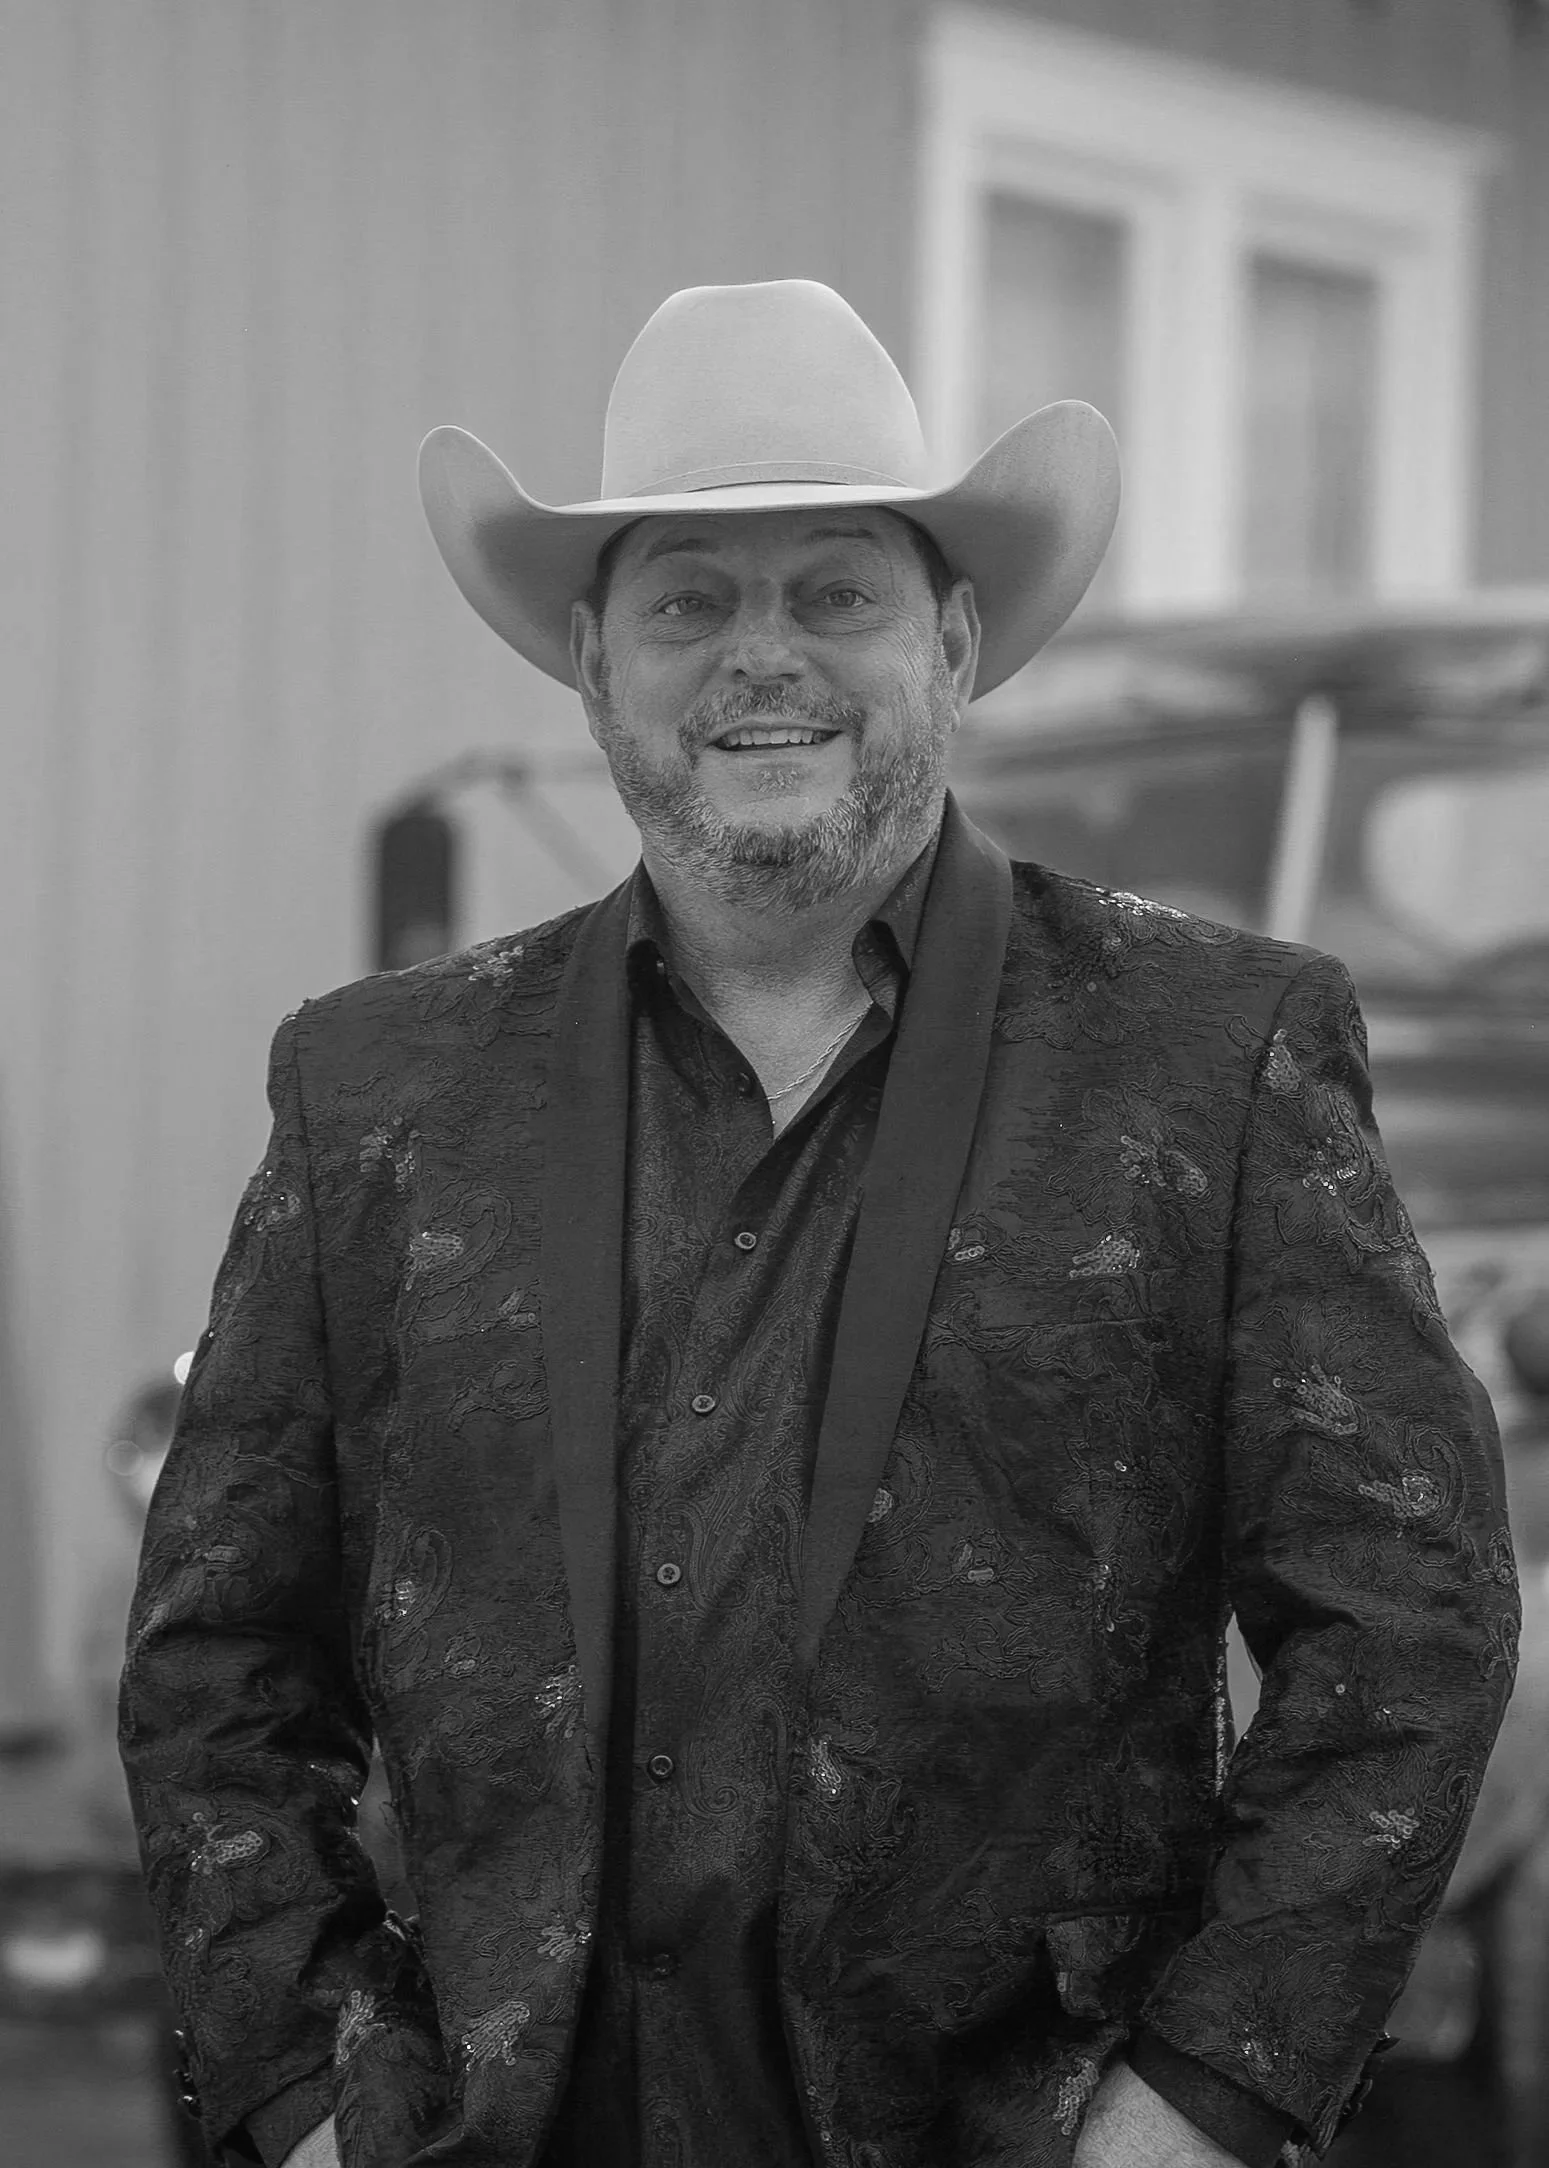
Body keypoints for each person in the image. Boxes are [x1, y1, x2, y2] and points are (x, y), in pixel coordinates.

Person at [119, 280, 1517, 2168]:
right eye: (689, 599)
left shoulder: (1221, 1060)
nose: (760, 658)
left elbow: (1408, 1630)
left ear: (949, 642)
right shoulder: (372, 1092)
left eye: (836, 593)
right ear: (591, 668)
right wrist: (304, 2100)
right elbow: (219, 1664)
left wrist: (1204, 2103)